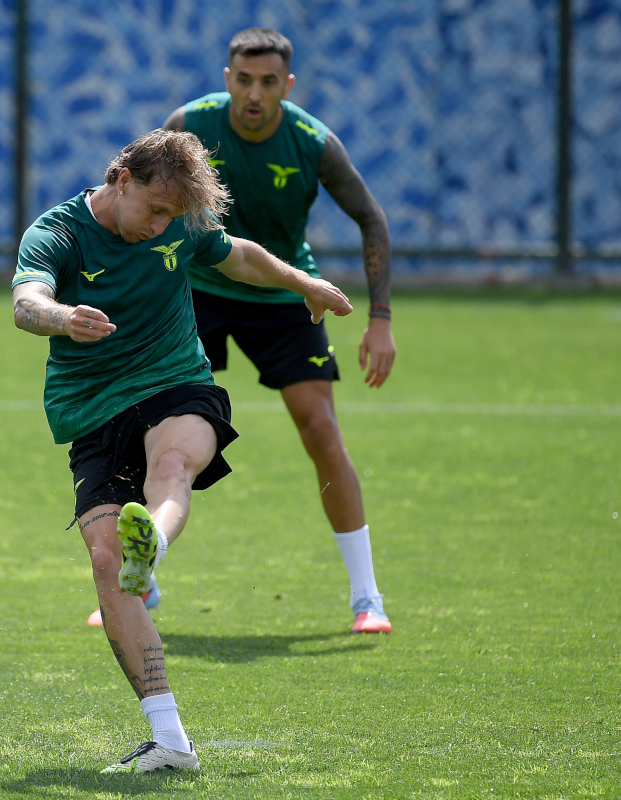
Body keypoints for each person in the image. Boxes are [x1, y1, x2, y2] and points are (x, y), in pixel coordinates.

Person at [12, 129, 353, 773]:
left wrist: (301, 282)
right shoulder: (56, 232)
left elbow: (239, 257)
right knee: (107, 564)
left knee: (174, 466)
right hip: (93, 411)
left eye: (173, 215)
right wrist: (63, 318)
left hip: (177, 383)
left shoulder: (177, 223)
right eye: (155, 209)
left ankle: (156, 549)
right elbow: (26, 302)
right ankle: (170, 741)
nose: (161, 225)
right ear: (121, 181)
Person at [161, 27, 397, 634]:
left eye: (269, 82)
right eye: (244, 80)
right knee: (160, 427)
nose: (254, 94)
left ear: (287, 86)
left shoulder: (313, 143)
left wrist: (380, 321)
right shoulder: (189, 127)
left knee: (320, 428)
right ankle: (139, 578)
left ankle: (367, 599)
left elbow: (372, 221)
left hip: (288, 290)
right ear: (227, 80)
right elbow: (144, 208)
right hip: (201, 290)